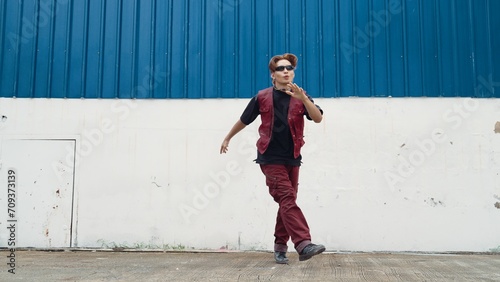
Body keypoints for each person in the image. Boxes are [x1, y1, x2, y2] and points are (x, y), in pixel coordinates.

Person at [219, 53, 325, 264]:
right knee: (286, 198)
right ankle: (304, 243)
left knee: (288, 202)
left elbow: (318, 118)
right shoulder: (262, 97)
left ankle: (279, 246)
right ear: (273, 75)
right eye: (280, 68)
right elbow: (244, 120)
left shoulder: (301, 96)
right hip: (270, 157)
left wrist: (303, 99)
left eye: (289, 68)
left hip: (293, 157)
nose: (286, 71)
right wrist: (228, 137)